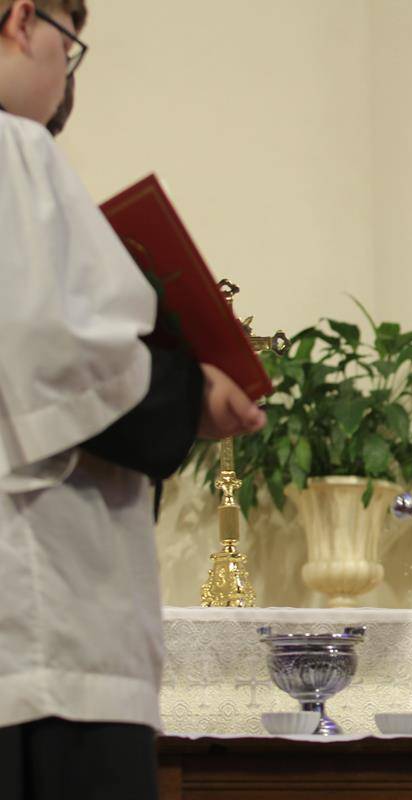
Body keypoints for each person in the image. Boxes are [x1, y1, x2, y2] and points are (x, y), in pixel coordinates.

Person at [0, 1, 265, 796]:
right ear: (21, 20)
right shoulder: (14, 146)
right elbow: (52, 351)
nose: (64, 79)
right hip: (41, 631)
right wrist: (192, 396)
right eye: (69, 47)